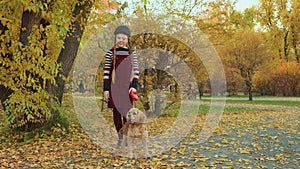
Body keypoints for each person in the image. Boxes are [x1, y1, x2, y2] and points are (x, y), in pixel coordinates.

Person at [103, 25, 139, 146]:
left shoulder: (131, 53)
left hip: (127, 88)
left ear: (127, 39)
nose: (121, 40)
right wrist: (106, 89)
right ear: (115, 38)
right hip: (114, 88)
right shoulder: (110, 53)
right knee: (116, 113)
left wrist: (134, 86)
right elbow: (107, 72)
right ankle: (120, 137)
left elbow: (136, 71)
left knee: (127, 113)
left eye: (123, 38)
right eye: (119, 38)